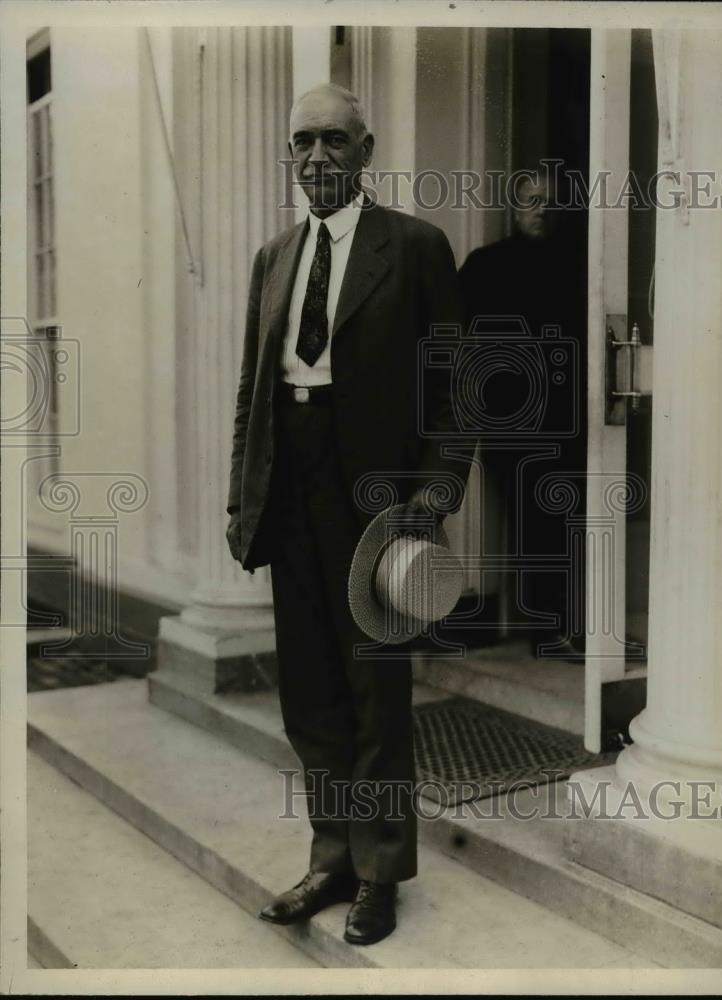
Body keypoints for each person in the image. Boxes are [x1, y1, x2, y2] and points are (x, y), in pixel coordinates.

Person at [225, 83, 470, 946]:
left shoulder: (414, 248)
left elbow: (453, 388)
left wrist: (432, 499)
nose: (317, 158)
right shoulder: (273, 257)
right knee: (310, 693)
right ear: (289, 157)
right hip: (289, 485)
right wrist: (240, 504)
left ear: (366, 151)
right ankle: (331, 856)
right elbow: (253, 392)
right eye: (302, 143)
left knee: (375, 686)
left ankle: (379, 872)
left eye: (334, 141)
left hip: (376, 499)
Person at [459, 169, 587, 660]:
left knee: (565, 518)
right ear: (514, 209)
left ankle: (561, 627)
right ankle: (549, 630)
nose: (541, 209)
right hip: (511, 420)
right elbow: (450, 333)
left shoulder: (579, 265)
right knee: (535, 521)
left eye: (550, 202)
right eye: (532, 200)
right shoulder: (487, 265)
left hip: (569, 418)